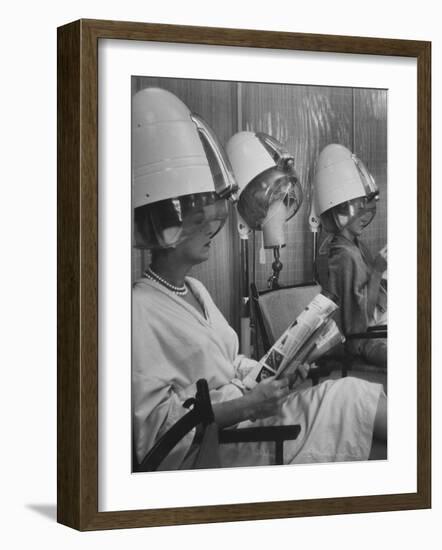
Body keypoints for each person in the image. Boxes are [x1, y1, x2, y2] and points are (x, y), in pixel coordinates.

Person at [132, 88, 387, 471]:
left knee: (351, 392)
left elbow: (229, 365)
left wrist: (278, 372)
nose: (212, 226)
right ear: (165, 226)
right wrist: (249, 404)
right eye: (198, 219)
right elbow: (156, 438)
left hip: (254, 413)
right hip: (231, 445)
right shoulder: (138, 311)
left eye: (211, 215)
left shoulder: (196, 290)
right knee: (351, 400)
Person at [314, 144, 388, 367]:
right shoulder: (343, 256)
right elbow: (357, 327)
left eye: (366, 208)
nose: (365, 217)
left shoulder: (354, 246)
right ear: (340, 212)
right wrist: (376, 271)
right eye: (359, 210)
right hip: (372, 339)